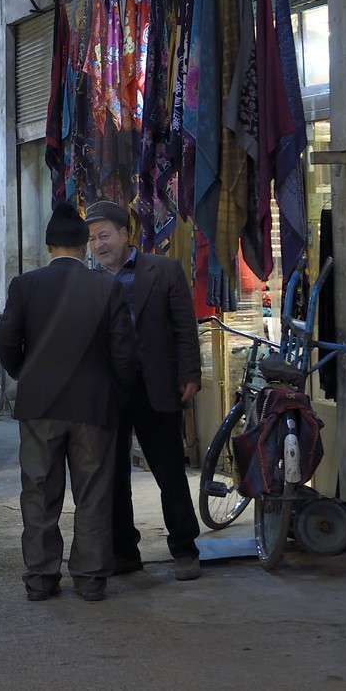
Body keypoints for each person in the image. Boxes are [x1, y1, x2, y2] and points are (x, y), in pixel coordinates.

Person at [0, 202, 136, 603]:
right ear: (84, 245)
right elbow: (124, 353)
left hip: (40, 407)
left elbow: (5, 341)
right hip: (94, 407)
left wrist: (28, 374)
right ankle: (90, 578)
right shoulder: (106, 286)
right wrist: (118, 393)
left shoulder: (25, 285)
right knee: (93, 492)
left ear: (49, 245)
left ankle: (40, 578)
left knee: (39, 491)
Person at [85, 198, 204, 582]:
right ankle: (124, 551)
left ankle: (185, 549)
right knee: (113, 476)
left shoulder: (165, 271)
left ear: (125, 233)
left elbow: (185, 328)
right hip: (111, 390)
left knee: (169, 471)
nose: (98, 245)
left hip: (157, 384)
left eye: (103, 235)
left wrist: (190, 372)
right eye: (91, 239)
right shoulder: (89, 282)